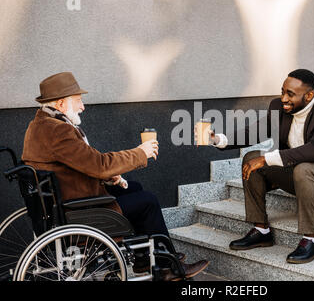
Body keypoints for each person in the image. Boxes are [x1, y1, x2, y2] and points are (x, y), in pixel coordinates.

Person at [22, 72, 209, 280]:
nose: (83, 106)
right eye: (78, 101)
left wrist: (109, 178)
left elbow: (76, 166)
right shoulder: (58, 130)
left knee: (132, 187)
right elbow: (99, 164)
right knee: (148, 201)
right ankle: (167, 267)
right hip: (77, 210)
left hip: (63, 201)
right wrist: (140, 152)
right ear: (60, 104)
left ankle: (143, 258)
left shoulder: (39, 126)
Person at [201, 69, 314, 264]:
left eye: (290, 94)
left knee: (303, 168)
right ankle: (261, 230)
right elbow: (255, 131)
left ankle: (310, 241)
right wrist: (217, 139)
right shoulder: (279, 107)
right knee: (251, 158)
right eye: (283, 92)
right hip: (300, 174)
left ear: (309, 95)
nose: (283, 98)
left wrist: (268, 159)